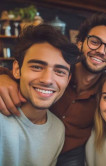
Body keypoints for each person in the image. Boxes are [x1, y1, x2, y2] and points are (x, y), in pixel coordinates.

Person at [0, 13, 106, 166]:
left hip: (71, 155)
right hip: (24, 142)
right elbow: (22, 71)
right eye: (95, 42)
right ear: (80, 44)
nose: (101, 51)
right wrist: (2, 76)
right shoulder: (57, 71)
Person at [0, 24, 80, 166]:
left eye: (60, 71)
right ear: (17, 69)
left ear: (67, 80)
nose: (47, 80)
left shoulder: (58, 129)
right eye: (37, 67)